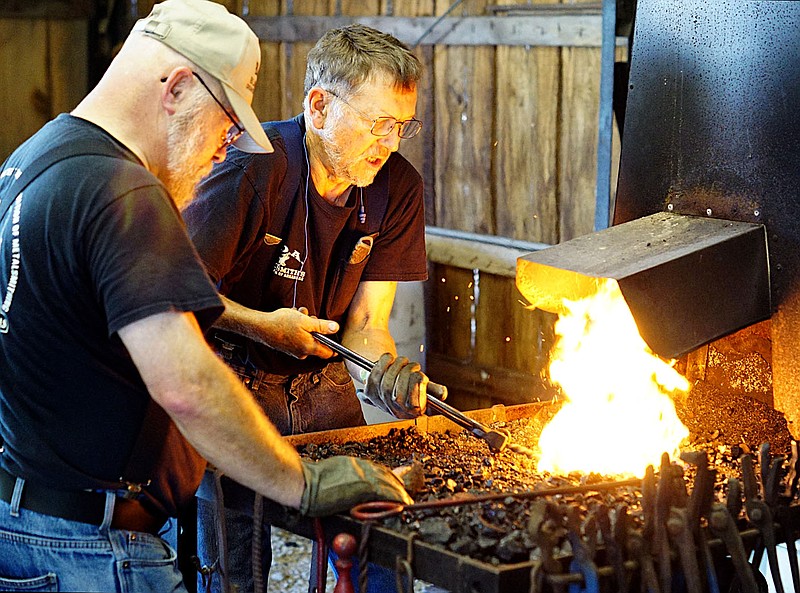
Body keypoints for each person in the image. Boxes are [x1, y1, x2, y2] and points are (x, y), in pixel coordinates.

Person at [0, 3, 411, 592]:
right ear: (178, 88)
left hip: (34, 523)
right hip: (91, 547)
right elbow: (187, 385)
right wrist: (303, 483)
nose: (226, 148)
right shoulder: (120, 192)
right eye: (225, 125)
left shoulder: (38, 157)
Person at [182, 23, 430, 593]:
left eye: (401, 127)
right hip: (233, 373)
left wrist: (385, 376)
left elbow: (367, 325)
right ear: (319, 107)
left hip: (322, 375)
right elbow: (176, 299)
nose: (389, 144)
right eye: (377, 125)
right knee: (236, 563)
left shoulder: (398, 188)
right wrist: (263, 327)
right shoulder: (252, 167)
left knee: (375, 521)